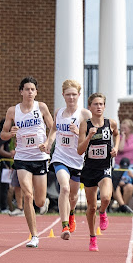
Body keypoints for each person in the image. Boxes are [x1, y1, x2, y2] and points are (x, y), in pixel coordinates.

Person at [1, 76, 54, 248]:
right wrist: (11, 133)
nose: (30, 92)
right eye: (27, 89)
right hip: (22, 157)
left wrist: (47, 143)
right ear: (21, 92)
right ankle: (34, 235)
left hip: (39, 158)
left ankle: (44, 202)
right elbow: (3, 134)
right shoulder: (12, 111)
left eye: (32, 89)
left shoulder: (42, 107)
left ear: (36, 92)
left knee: (38, 201)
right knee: (27, 195)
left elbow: (53, 128)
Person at [47, 79, 91, 240]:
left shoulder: (85, 114)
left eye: (74, 94)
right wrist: (47, 143)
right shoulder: (59, 112)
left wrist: (78, 131)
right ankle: (64, 225)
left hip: (78, 160)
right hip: (60, 157)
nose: (71, 97)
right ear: (63, 95)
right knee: (64, 188)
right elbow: (53, 130)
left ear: (79, 95)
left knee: (73, 196)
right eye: (68, 95)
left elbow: (92, 136)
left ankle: (71, 213)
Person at [78, 92, 119, 252]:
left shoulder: (111, 123)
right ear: (90, 107)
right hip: (89, 169)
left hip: (105, 167)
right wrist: (88, 137)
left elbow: (117, 135)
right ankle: (92, 237)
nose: (99, 107)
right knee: (91, 207)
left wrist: (115, 147)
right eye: (95, 104)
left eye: (101, 104)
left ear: (104, 106)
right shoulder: (85, 124)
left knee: (106, 197)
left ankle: (103, 212)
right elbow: (80, 150)